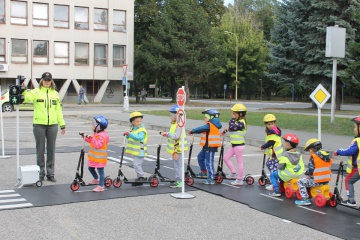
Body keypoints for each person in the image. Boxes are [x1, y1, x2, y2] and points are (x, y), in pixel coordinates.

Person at [22, 72, 66, 182]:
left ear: (51, 81)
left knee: (51, 150)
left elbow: (58, 110)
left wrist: (62, 124)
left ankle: (50, 173)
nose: (47, 82)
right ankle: (40, 173)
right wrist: (23, 89)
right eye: (45, 80)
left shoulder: (55, 93)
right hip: (39, 125)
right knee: (40, 149)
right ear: (42, 80)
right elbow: (26, 98)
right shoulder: (36, 92)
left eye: (49, 80)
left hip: (52, 125)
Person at [188, 109, 222, 184]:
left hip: (210, 147)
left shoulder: (211, 125)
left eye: (206, 117)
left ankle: (211, 178)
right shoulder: (209, 125)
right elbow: (202, 130)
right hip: (206, 146)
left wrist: (193, 131)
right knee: (200, 157)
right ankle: (204, 172)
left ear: (211, 117)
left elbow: (201, 128)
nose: (204, 118)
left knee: (209, 163)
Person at [295, 138, 332, 205]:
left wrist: (306, 173)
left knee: (300, 181)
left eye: (309, 150)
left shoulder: (314, 157)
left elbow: (311, 170)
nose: (309, 151)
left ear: (311, 149)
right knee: (308, 179)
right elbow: (320, 169)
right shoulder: (326, 156)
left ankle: (305, 199)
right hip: (326, 180)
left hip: (317, 181)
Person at [159, 104, 188, 188]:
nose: (170, 117)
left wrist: (167, 134)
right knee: (177, 165)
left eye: (171, 116)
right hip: (175, 149)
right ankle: (179, 180)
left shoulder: (179, 125)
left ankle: (180, 181)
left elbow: (176, 136)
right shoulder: (174, 124)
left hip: (178, 149)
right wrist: (166, 134)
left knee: (178, 166)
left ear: (176, 116)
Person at [333, 116, 360, 207]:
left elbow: (350, 151)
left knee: (348, 180)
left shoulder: (357, 141)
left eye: (355, 127)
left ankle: (351, 201)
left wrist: (339, 151)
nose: (354, 129)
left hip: (358, 168)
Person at [81, 116, 109, 192]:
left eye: (94, 125)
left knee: (101, 172)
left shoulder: (102, 136)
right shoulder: (96, 134)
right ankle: (96, 179)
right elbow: (91, 141)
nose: (92, 127)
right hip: (94, 158)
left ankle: (101, 186)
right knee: (90, 168)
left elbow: (97, 145)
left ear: (98, 127)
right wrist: (84, 137)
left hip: (100, 158)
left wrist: (92, 138)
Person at [222, 103, 247, 186]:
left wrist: (232, 120)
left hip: (239, 145)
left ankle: (239, 179)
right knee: (225, 158)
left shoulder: (241, 122)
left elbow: (232, 127)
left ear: (240, 114)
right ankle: (233, 173)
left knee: (239, 162)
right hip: (234, 145)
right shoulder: (237, 122)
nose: (232, 115)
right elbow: (231, 127)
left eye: (234, 113)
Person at [124, 111, 148, 185]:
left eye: (140, 121)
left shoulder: (142, 130)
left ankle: (142, 176)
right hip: (135, 151)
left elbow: (139, 137)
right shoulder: (133, 129)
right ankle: (139, 178)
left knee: (136, 164)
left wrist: (130, 134)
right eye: (137, 121)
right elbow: (130, 138)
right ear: (132, 122)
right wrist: (127, 135)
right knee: (136, 164)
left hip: (140, 151)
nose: (139, 123)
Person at [260, 114, 283, 190]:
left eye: (272, 124)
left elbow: (271, 142)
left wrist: (263, 146)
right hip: (273, 154)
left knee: (274, 168)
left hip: (276, 155)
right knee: (269, 164)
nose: (270, 125)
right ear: (265, 124)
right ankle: (276, 181)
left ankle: (275, 183)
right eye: (268, 124)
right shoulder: (271, 131)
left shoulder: (274, 132)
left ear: (275, 123)